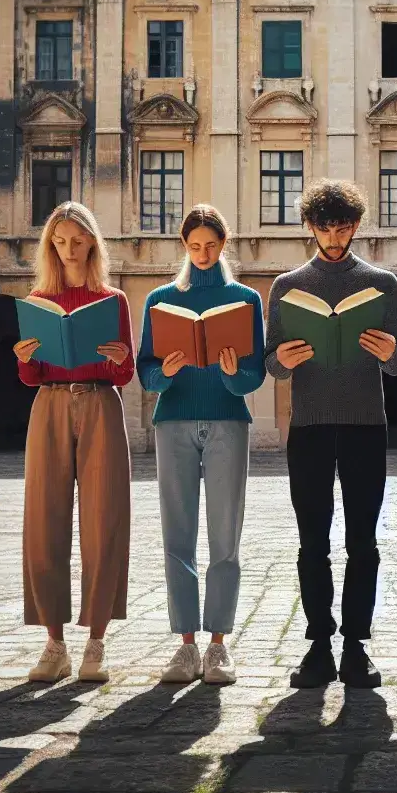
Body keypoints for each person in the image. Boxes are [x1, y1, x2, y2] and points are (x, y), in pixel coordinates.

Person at [264, 179, 397, 689]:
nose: (334, 237)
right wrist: (280, 359)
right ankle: (319, 644)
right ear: (310, 226)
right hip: (309, 427)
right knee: (312, 543)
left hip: (366, 426)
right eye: (325, 228)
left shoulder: (383, 283)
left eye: (343, 227)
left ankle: (356, 645)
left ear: (356, 225)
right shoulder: (286, 286)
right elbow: (272, 366)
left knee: (363, 542)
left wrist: (388, 350)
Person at [135, 204, 266, 685]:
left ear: (223, 245)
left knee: (225, 536)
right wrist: (163, 372)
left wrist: (233, 375)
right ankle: (185, 645)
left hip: (229, 422)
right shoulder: (161, 299)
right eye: (195, 246)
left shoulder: (246, 300)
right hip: (173, 423)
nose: (204, 253)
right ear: (184, 247)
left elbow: (254, 375)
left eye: (211, 245)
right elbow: (145, 369)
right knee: (177, 536)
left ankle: (218, 645)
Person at [14, 201, 134, 684]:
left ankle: (97, 641)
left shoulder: (114, 300)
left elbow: (124, 372)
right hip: (48, 406)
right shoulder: (39, 298)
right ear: (50, 245)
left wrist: (120, 357)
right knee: (43, 521)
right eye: (59, 241)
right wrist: (24, 359)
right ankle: (54, 642)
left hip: (102, 405)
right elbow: (30, 376)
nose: (68, 248)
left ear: (91, 242)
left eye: (77, 239)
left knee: (103, 521)